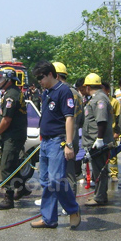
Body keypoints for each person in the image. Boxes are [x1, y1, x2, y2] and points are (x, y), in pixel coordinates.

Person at [29, 61, 81, 229]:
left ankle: (73, 209)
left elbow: (69, 118)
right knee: (45, 181)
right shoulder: (46, 93)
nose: (39, 81)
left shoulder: (64, 91)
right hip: (46, 141)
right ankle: (49, 219)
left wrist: (69, 144)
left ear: (50, 74)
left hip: (58, 141)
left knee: (56, 180)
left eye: (41, 77)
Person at [0, 67, 28, 210]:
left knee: (6, 165)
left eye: (1, 78)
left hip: (12, 136)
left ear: (8, 79)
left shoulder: (11, 95)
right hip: (13, 135)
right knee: (12, 164)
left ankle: (8, 198)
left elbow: (6, 119)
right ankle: (22, 188)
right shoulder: (11, 92)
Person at [82, 73, 114, 206]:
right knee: (97, 169)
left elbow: (101, 120)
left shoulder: (99, 99)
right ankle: (99, 195)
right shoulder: (96, 98)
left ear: (88, 87)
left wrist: (99, 139)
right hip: (94, 140)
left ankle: (100, 197)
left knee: (100, 170)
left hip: (98, 142)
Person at [102, 82, 120, 183]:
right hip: (101, 132)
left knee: (112, 154)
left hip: (111, 131)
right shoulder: (99, 101)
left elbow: (118, 118)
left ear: (108, 90)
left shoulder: (114, 102)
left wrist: (117, 132)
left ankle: (114, 174)